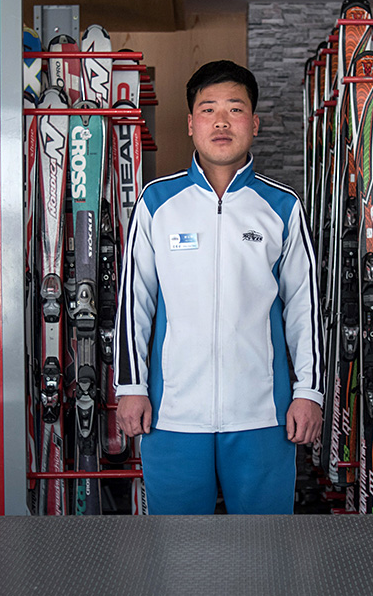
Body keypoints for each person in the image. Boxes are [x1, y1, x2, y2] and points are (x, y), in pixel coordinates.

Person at [113, 60, 323, 514]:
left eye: (235, 109)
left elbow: (305, 307)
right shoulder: (157, 203)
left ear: (254, 123)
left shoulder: (282, 207)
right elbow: (134, 302)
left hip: (262, 415)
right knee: (179, 551)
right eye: (208, 110)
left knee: (264, 551)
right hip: (172, 416)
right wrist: (130, 384)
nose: (222, 121)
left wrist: (309, 392)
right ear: (191, 124)